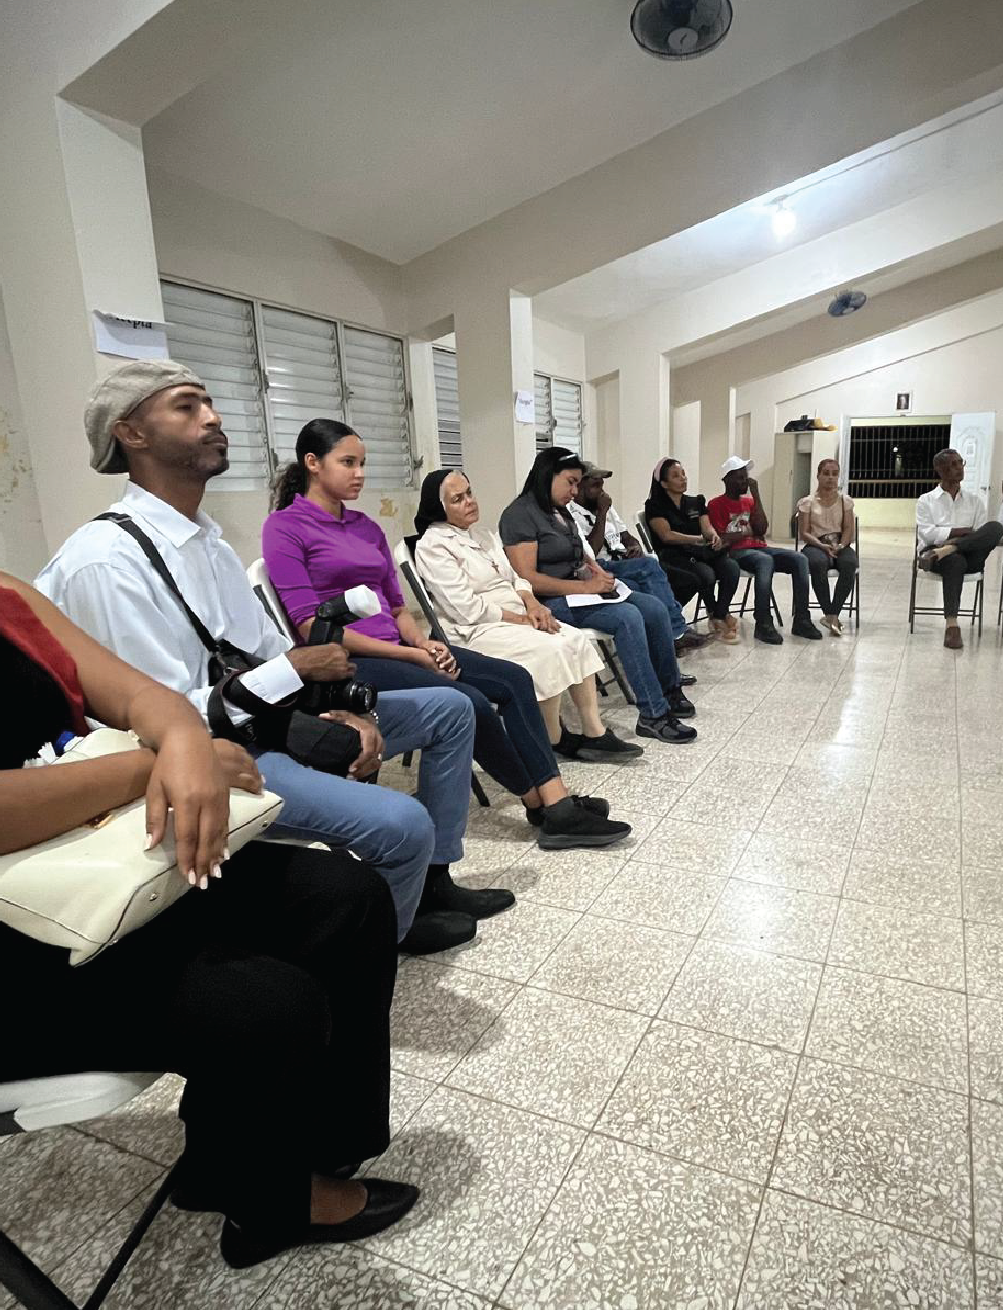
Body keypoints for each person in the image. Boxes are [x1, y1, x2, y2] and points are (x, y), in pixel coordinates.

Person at [0, 574, 416, 1270]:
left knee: (347, 898)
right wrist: (150, 765)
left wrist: (182, 742)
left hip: (83, 851)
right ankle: (270, 1204)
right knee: (266, 1004)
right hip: (19, 943)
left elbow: (136, 693)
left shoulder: (8, 596)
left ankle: (295, 1150)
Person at [36, 359, 500, 958]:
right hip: (210, 755)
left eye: (209, 402)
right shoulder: (106, 561)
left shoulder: (208, 543)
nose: (213, 417)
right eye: (186, 406)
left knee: (449, 709)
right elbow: (166, 719)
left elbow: (268, 651)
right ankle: (382, 944)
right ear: (131, 434)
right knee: (401, 824)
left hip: (264, 719)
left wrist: (344, 710)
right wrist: (299, 674)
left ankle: (430, 884)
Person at [263, 422, 628, 850]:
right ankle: (546, 803)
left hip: (399, 647)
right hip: (346, 661)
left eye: (362, 463)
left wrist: (421, 643)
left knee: (514, 679)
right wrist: (409, 656)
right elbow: (310, 626)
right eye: (348, 463)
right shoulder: (285, 528)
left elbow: (396, 607)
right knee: (469, 701)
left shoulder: (366, 527)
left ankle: (552, 802)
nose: (359, 473)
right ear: (312, 463)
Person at [413, 467, 641, 773]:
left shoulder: (483, 534)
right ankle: (553, 737)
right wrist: (521, 619)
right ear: (439, 507)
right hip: (474, 629)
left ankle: (594, 732)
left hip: (516, 614)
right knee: (550, 649)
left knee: (574, 638)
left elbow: (517, 577)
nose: (469, 501)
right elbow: (466, 608)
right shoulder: (432, 545)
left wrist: (533, 605)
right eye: (458, 499)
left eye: (469, 493)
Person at [499, 447, 697, 745]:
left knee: (654, 607)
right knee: (628, 617)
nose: (574, 491)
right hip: (550, 601)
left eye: (577, 484)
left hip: (581, 589)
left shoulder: (558, 510)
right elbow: (527, 578)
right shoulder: (519, 515)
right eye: (570, 482)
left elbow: (578, 554)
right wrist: (586, 587)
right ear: (548, 476)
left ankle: (670, 691)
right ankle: (652, 714)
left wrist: (595, 573)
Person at [568, 461, 707, 654]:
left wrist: (634, 546)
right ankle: (673, 632)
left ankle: (668, 632)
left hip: (622, 562)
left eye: (602, 485)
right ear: (579, 487)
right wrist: (601, 513)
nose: (601, 491)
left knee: (679, 578)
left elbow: (626, 536)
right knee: (645, 578)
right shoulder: (572, 513)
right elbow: (591, 550)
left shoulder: (605, 505)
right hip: (600, 568)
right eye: (595, 485)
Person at [706, 455, 821, 645]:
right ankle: (763, 622)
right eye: (740, 477)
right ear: (727, 480)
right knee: (764, 561)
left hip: (759, 547)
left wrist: (756, 494)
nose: (745, 481)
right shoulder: (715, 504)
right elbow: (722, 538)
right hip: (735, 552)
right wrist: (747, 531)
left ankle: (802, 620)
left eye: (746, 476)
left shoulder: (750, 502)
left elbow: (761, 529)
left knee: (799, 559)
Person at [644, 457, 741, 643]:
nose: (683, 478)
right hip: (674, 554)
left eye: (683, 474)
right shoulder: (655, 506)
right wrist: (697, 539)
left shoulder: (696, 501)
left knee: (731, 568)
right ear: (664, 483)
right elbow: (666, 536)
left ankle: (720, 614)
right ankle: (713, 615)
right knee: (706, 574)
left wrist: (713, 536)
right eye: (676, 476)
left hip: (699, 551)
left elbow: (706, 527)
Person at [916, 447, 1003, 649]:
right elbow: (927, 534)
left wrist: (951, 543)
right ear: (939, 469)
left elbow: (981, 535)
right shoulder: (926, 500)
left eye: (960, 462)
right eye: (952, 464)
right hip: (934, 556)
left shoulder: (975, 501)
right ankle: (952, 626)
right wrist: (962, 532)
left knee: (996, 527)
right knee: (955, 561)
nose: (959, 468)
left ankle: (950, 549)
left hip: (963, 554)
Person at [797, 458, 857, 637]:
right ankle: (829, 613)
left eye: (834, 474)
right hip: (815, 543)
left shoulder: (845, 501)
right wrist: (821, 545)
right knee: (818, 563)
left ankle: (833, 614)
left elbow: (848, 529)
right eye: (826, 474)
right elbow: (804, 532)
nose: (830, 478)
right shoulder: (807, 502)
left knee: (849, 563)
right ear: (818, 476)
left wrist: (841, 545)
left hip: (840, 543)